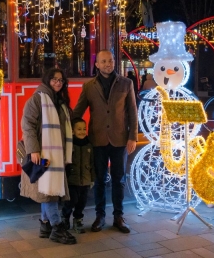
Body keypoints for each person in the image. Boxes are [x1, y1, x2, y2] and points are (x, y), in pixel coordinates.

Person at [73, 50, 137, 233]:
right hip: (97, 139)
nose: (108, 64)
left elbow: (132, 113)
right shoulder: (89, 86)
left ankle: (119, 216)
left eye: (110, 60)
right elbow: (78, 111)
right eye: (104, 61)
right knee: (99, 180)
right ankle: (100, 216)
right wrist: (67, 128)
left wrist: (132, 136)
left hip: (120, 139)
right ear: (97, 65)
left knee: (119, 180)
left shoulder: (126, 83)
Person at [21, 68, 76, 245]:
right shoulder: (38, 98)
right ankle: (57, 227)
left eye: (60, 80)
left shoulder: (59, 101)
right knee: (49, 192)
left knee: (47, 189)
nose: (58, 82)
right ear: (47, 80)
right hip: (42, 154)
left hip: (54, 154)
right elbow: (27, 124)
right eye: (54, 79)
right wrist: (33, 150)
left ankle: (45, 225)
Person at [61, 118, 95, 234]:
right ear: (73, 131)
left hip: (85, 181)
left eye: (84, 129)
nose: (82, 131)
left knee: (82, 202)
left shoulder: (89, 146)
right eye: (79, 129)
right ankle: (65, 217)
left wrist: (92, 179)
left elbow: (92, 164)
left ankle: (78, 220)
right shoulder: (70, 146)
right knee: (71, 200)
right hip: (72, 180)